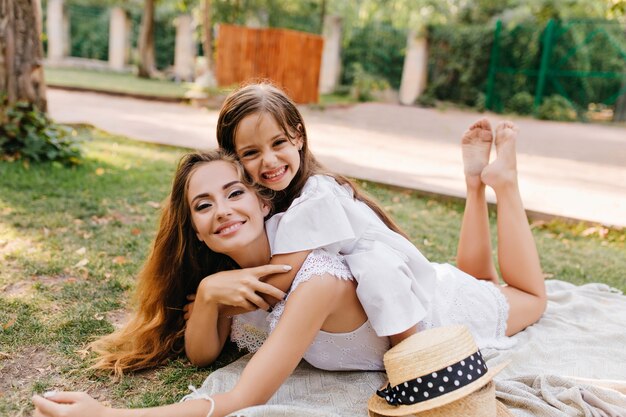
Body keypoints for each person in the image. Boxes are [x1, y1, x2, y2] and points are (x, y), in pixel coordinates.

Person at [33, 118, 547, 417]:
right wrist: (210, 294)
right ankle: (476, 183)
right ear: (193, 227)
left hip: (442, 313)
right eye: (203, 205)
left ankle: (501, 183)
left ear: (263, 201)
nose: (224, 210)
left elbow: (242, 397)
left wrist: (108, 415)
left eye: (234, 192)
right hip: (417, 287)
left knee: (523, 294)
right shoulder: (236, 283)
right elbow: (201, 356)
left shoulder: (316, 278)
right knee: (477, 274)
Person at [216, 83, 546, 344]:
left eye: (278, 143)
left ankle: (505, 183)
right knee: (480, 282)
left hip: (426, 316)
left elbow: (271, 286)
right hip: (428, 287)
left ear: (298, 136)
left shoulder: (315, 198)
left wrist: (212, 298)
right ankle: (474, 185)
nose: (270, 161)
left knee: (532, 298)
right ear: (233, 159)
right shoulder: (277, 200)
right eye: (251, 153)